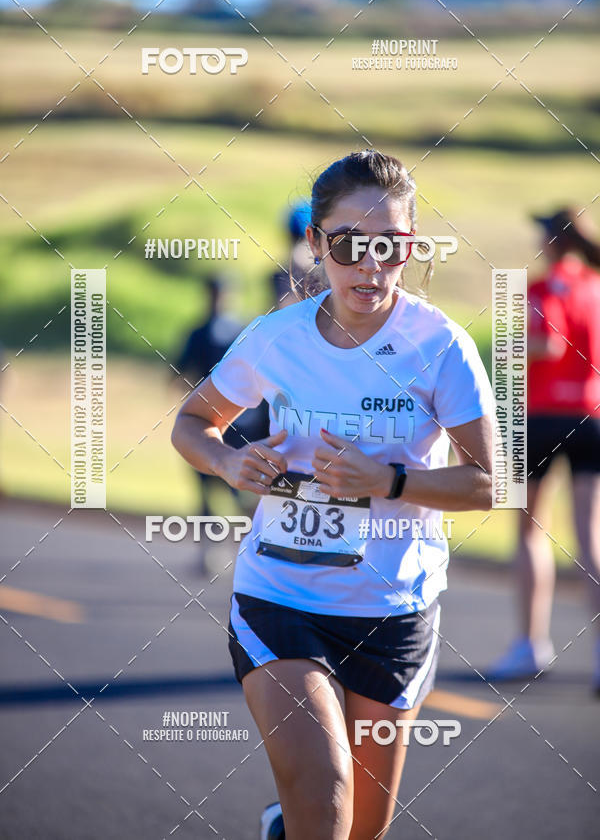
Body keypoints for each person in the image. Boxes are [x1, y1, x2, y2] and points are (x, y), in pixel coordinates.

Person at [171, 150, 495, 840]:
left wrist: (390, 481)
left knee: (362, 830)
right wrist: (229, 466)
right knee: (328, 801)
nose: (371, 267)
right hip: (280, 597)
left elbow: (487, 483)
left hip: (393, 610)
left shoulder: (440, 347)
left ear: (410, 247)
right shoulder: (276, 337)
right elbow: (193, 423)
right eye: (350, 246)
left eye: (391, 247)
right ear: (317, 244)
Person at [487, 208, 600, 690]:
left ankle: (530, 644)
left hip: (537, 417)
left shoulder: (542, 287)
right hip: (592, 415)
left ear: (553, 240)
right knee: (589, 537)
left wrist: (506, 347)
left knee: (531, 531)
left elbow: (547, 344)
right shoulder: (596, 285)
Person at [174, 277, 269, 571]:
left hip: (221, 424)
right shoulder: (241, 331)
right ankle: (234, 551)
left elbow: (178, 375)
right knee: (226, 490)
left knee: (222, 489)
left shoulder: (205, 332)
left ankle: (226, 552)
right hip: (233, 425)